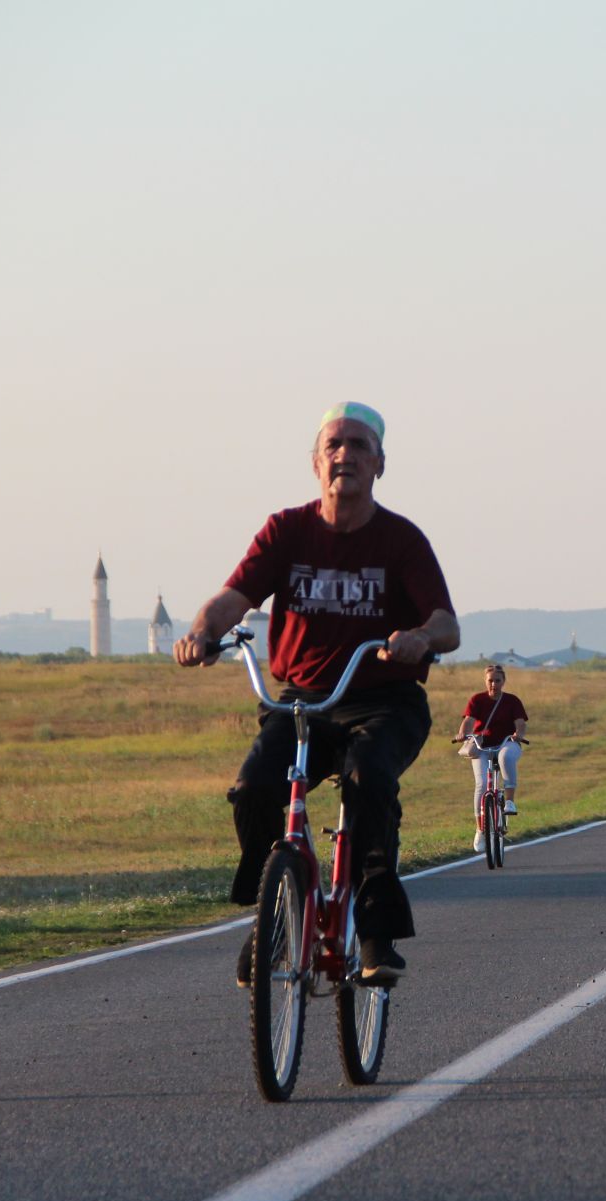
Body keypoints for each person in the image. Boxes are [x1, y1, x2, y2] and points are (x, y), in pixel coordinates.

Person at [176, 401, 459, 987]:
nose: (344, 456)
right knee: (255, 789)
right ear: (315, 463)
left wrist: (418, 637)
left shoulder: (402, 540)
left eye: (359, 446)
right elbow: (233, 598)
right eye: (333, 445)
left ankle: (377, 932)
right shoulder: (287, 530)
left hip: (383, 702)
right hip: (301, 701)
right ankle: (275, 912)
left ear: (379, 464)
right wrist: (204, 632)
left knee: (368, 782)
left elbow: (446, 625)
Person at [454, 663, 528, 852]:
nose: (494, 684)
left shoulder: (512, 701)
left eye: (497, 680)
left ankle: (509, 801)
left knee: (506, 758)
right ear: (485, 681)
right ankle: (480, 829)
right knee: (481, 785)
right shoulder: (477, 700)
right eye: (490, 680)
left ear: (504, 681)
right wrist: (463, 734)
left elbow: (520, 723)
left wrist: (518, 734)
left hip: (506, 742)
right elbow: (468, 721)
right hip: (482, 746)